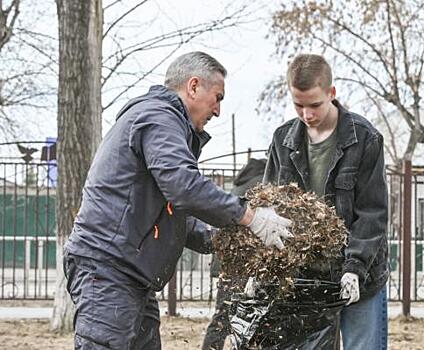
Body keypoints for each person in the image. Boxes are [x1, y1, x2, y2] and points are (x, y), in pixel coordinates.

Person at [63, 51, 292, 350]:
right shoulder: (158, 116)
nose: (219, 110)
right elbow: (183, 186)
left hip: (130, 274)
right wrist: (249, 216)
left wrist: (229, 239)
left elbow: (172, 212)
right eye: (218, 97)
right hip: (108, 270)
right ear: (193, 86)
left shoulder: (164, 123)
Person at [263, 54, 389, 350]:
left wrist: (354, 268)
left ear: (331, 93)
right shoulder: (283, 140)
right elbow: (269, 209)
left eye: (315, 104)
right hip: (307, 278)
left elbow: (373, 213)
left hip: (362, 276)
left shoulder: (365, 138)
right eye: (299, 105)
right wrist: (263, 270)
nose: (306, 114)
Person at [201, 157, 267, 350]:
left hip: (227, 262)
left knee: (222, 316)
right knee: (247, 317)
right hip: (244, 263)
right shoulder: (260, 186)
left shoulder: (238, 187)